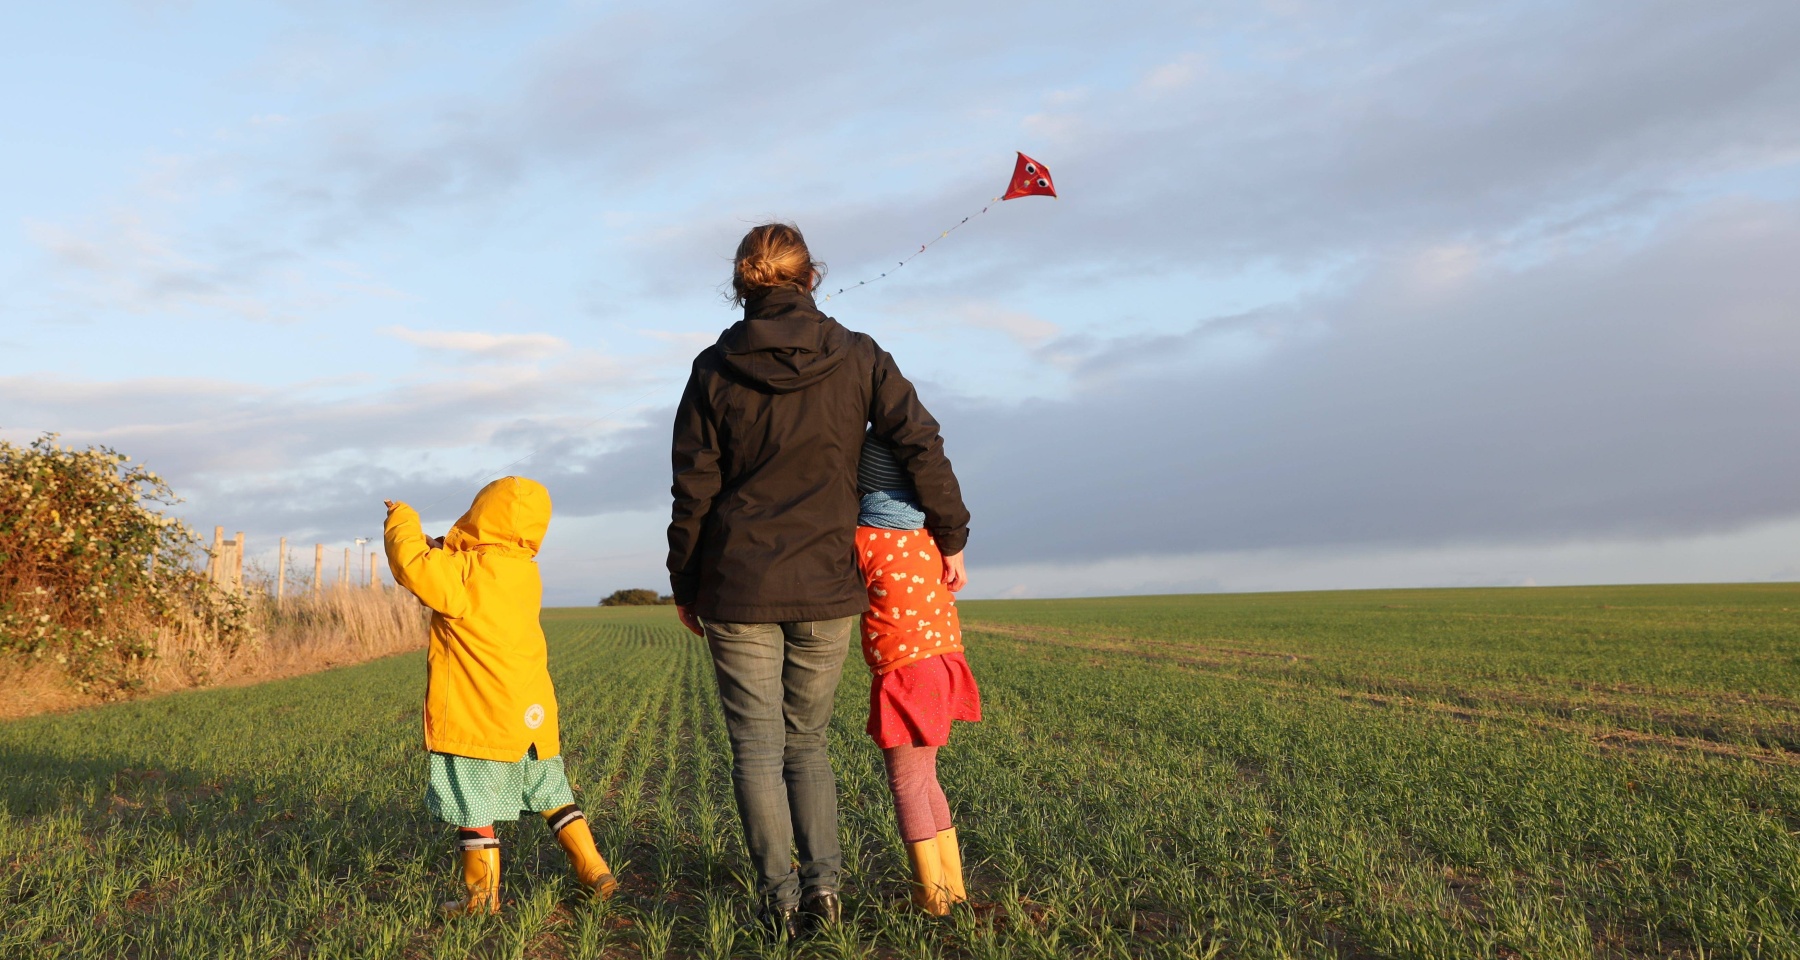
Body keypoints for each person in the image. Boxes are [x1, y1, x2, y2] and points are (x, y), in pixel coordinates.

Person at [668, 222, 971, 937]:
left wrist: (686, 582)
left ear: (743, 285)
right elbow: (919, 443)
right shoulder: (859, 356)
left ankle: (778, 902)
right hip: (829, 584)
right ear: (812, 278)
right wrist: (950, 535)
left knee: (755, 749)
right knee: (807, 743)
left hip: (737, 584)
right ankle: (824, 894)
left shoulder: (712, 368)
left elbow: (692, 491)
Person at [384, 477, 619, 916]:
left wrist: (403, 518)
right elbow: (459, 564)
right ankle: (594, 870)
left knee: (474, 807)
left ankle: (481, 899)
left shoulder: (464, 574)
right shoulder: (522, 569)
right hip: (531, 716)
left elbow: (411, 566)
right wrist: (441, 545)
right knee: (553, 795)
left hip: (481, 715)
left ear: (480, 514)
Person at [852, 435, 980, 916]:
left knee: (906, 784)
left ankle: (931, 901)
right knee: (926, 780)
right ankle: (953, 892)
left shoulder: (863, 539)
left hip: (906, 674)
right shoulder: (930, 538)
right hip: (943, 665)